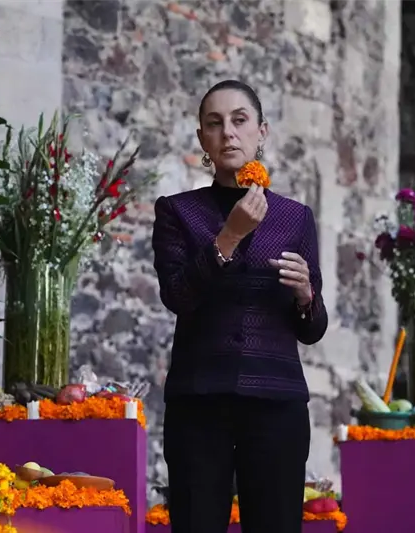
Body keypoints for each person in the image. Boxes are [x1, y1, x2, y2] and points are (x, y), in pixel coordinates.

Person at [151, 79, 328, 533]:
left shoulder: (295, 217)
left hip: (277, 402)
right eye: (214, 123)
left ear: (261, 132)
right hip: (198, 402)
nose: (228, 132)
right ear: (203, 139)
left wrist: (306, 296)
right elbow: (177, 296)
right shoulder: (176, 211)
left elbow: (312, 329)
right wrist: (229, 236)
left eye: (239, 120)